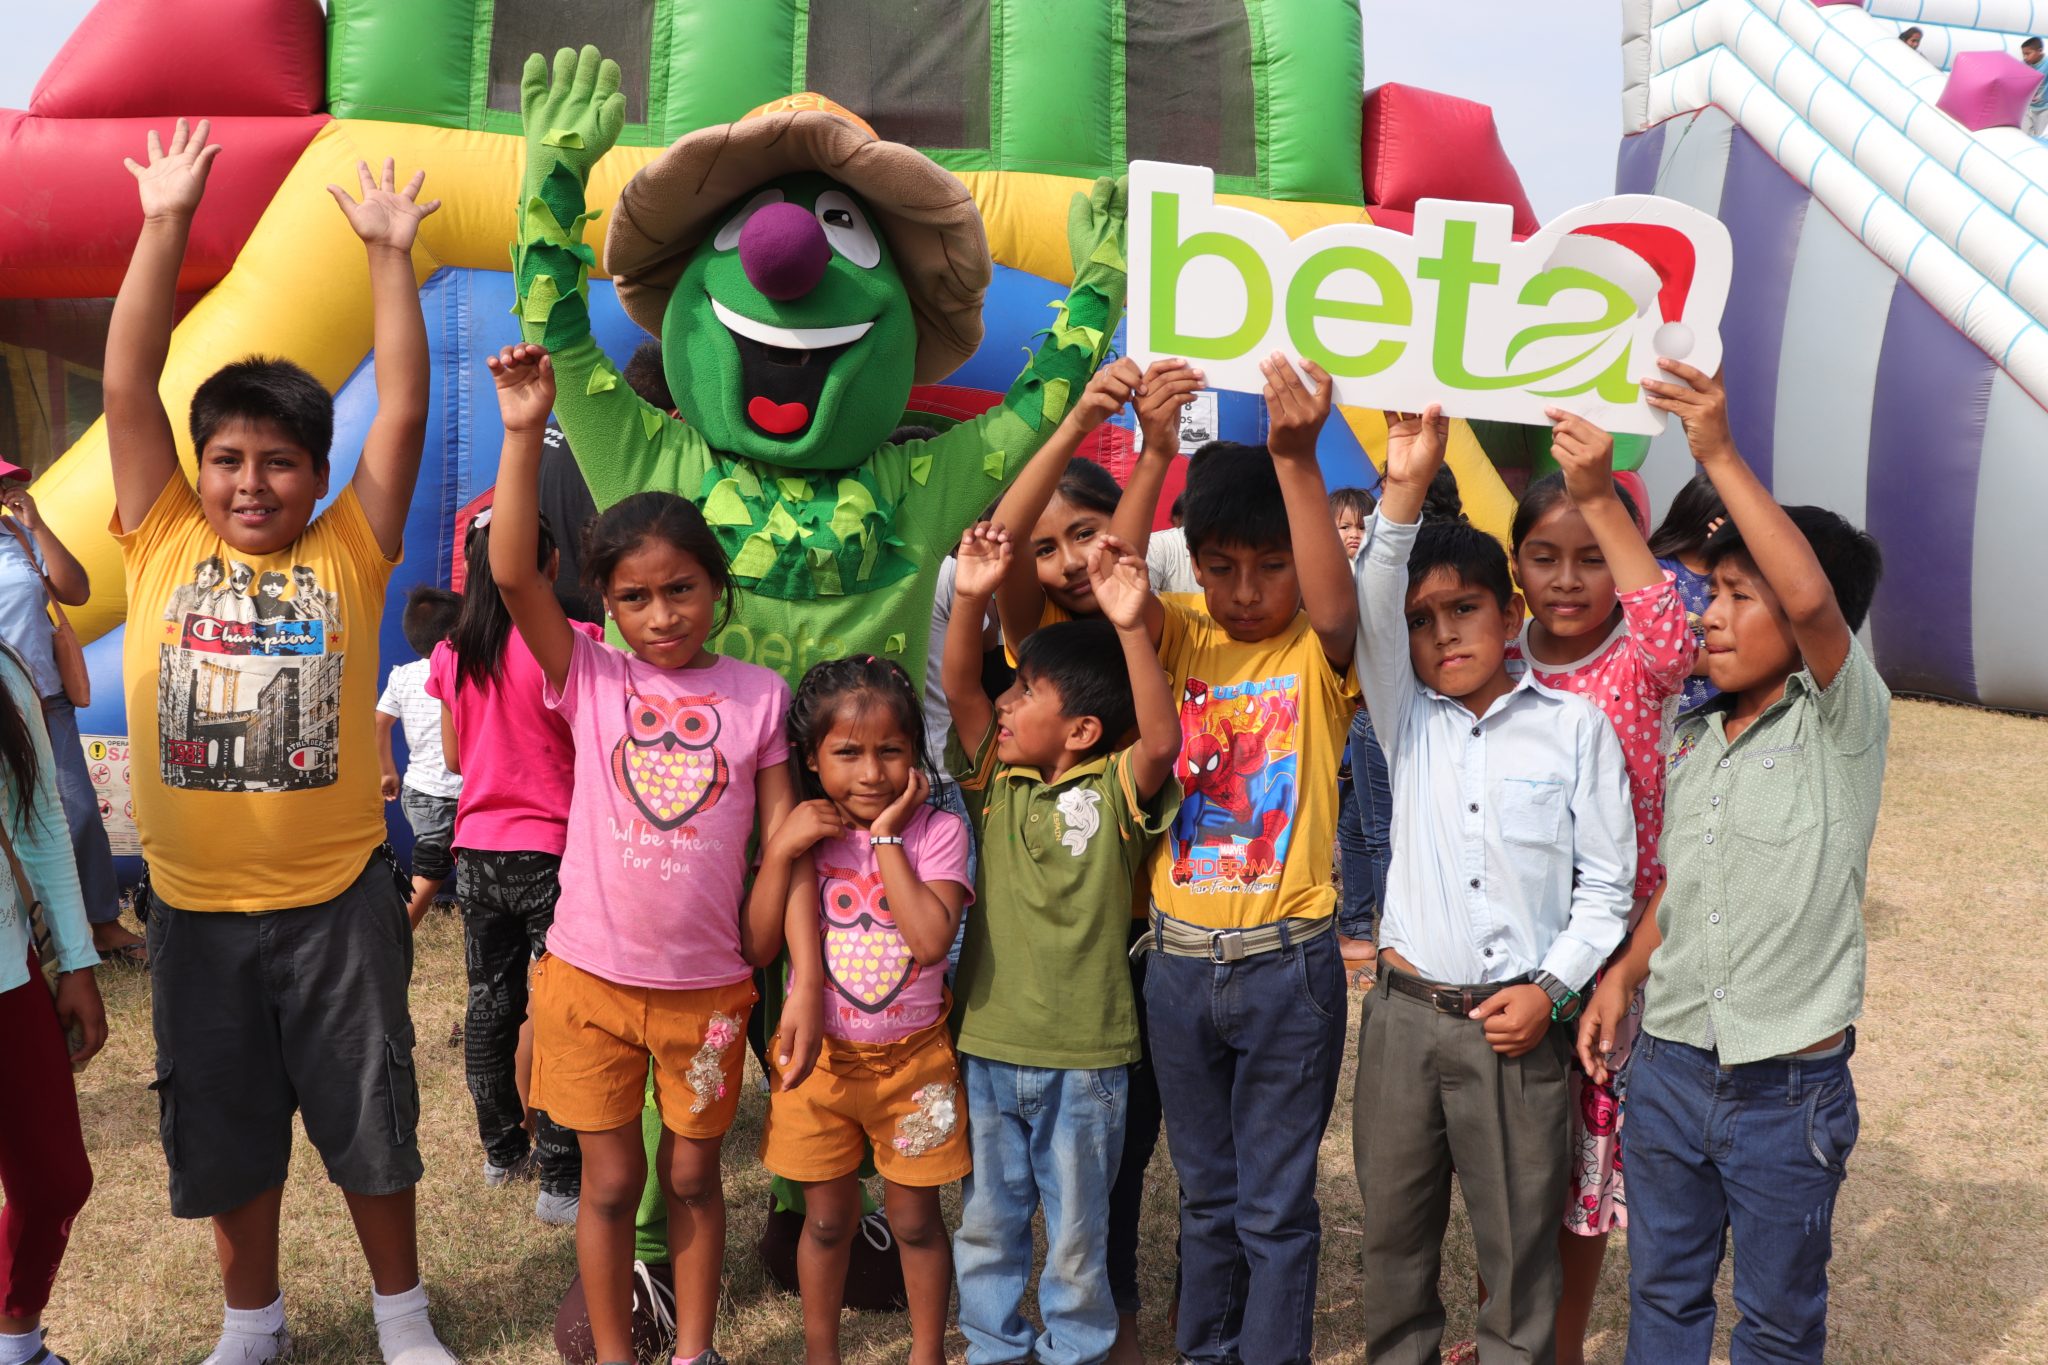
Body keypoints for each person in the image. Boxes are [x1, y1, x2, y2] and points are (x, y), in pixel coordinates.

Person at [106, 119, 457, 1364]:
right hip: (195, 914)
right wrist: (164, 223)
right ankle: (250, 1324)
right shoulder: (159, 536)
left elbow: (403, 405)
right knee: (224, 1126)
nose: (251, 483)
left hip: (336, 904)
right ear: (195, 469)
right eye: (228, 460)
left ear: (318, 477)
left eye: (279, 464)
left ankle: (402, 1319)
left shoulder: (348, 550)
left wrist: (388, 254)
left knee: (369, 1115)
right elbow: (126, 384)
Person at [486, 341, 809, 1365]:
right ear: (606, 605)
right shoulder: (591, 675)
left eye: (681, 589)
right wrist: (521, 431)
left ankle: (694, 1350)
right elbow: (511, 571)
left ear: (716, 588)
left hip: (707, 995)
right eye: (635, 598)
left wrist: (782, 964)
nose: (661, 615)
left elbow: (781, 841)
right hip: (588, 982)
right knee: (613, 1181)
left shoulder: (759, 697)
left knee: (695, 1178)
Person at [1580, 361, 1888, 1365]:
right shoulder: (1694, 734)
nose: (1708, 614)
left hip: (1785, 1091)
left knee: (1775, 1321)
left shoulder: (1839, 722)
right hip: (1668, 1068)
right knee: (1662, 1298)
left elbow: (1811, 601)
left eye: (1736, 595)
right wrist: (1621, 978)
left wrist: (1713, 449)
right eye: (1709, 591)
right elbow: (1684, 884)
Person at [1350, 403, 1635, 1365]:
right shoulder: (1406, 717)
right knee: (1393, 1248)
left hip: (1516, 1030)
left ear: (1509, 613)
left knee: (1518, 1264)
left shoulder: (1573, 728)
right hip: (1402, 1021)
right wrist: (1404, 483)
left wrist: (1550, 990)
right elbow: (1374, 598)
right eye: (1422, 622)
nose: (1443, 634)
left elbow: (1608, 888)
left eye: (1464, 609)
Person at [1119, 355, 1359, 1365]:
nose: (1246, 591)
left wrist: (1297, 459)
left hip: (1287, 970)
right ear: (1192, 561)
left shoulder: (1315, 650)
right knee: (1207, 1200)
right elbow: (1115, 580)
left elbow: (1336, 612)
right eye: (1220, 568)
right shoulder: (1174, 634)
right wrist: (1152, 453)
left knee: (1273, 1208)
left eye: (1271, 566)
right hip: (1177, 970)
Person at [945, 524, 1181, 1365]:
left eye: (1025, 692)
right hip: (988, 1046)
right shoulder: (996, 781)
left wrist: (1130, 624)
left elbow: (1160, 740)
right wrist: (969, 596)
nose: (1005, 704)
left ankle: (1075, 1350)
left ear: (1080, 729)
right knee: (988, 1220)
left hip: (1087, 1061)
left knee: (1079, 1234)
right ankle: (993, 1348)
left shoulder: (1113, 789)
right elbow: (961, 685)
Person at [1506, 412, 1697, 1365]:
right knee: (1509, 1170)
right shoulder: (1496, 660)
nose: (1569, 578)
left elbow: (1673, 637)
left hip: (1609, 962)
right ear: (1515, 568)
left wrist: (1595, 494)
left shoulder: (1637, 659)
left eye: (1592, 558)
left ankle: (1563, 1345)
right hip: (1508, 955)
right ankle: (1510, 1333)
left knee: (1583, 1177)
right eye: (1545, 556)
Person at [753, 655, 973, 1365]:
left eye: (891, 750)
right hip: (818, 1066)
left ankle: (926, 1353)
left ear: (916, 753)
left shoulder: (938, 832)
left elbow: (930, 940)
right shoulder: (803, 834)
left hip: (914, 1066)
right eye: (848, 752)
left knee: (914, 1221)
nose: (872, 773)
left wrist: (885, 839)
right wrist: (780, 851)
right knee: (825, 1221)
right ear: (811, 758)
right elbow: (758, 943)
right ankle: (822, 1355)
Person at [428, 511, 593, 1223]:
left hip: (477, 853)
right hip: (553, 852)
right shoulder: (576, 642)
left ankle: (502, 1151)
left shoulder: (451, 653)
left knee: (490, 1007)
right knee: (562, 1012)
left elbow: (456, 758)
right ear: (548, 566)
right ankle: (562, 1177)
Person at [0, 645, 106, 1365]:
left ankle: (16, 1344)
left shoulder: (4, 670)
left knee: (56, 1178)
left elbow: (37, 818)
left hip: (9, 973)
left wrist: (75, 959)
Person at [0, 466, 136, 963]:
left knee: (77, 812)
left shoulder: (16, 534)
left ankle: (102, 925)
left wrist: (36, 525)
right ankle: (32, 940)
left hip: (45, 698)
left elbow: (76, 592)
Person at [375, 587, 464, 927]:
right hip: (447, 792)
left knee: (447, 864)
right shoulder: (462, 672)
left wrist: (387, 771)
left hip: (418, 792)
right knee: (431, 870)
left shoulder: (402, 675)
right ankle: (397, 934)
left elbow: (380, 722)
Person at [1648, 471, 1728, 716]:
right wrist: (1729, 663)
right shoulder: (1655, 572)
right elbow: (1661, 651)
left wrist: (1733, 555)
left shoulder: (1738, 574)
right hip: (1663, 713)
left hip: (1725, 712)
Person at [2026, 38, 2048, 136]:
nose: (2026, 57)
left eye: (2028, 53)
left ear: (2039, 51)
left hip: (2045, 108)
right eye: (2024, 54)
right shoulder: (2025, 64)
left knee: (2040, 135)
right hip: (2029, 107)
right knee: (2027, 134)